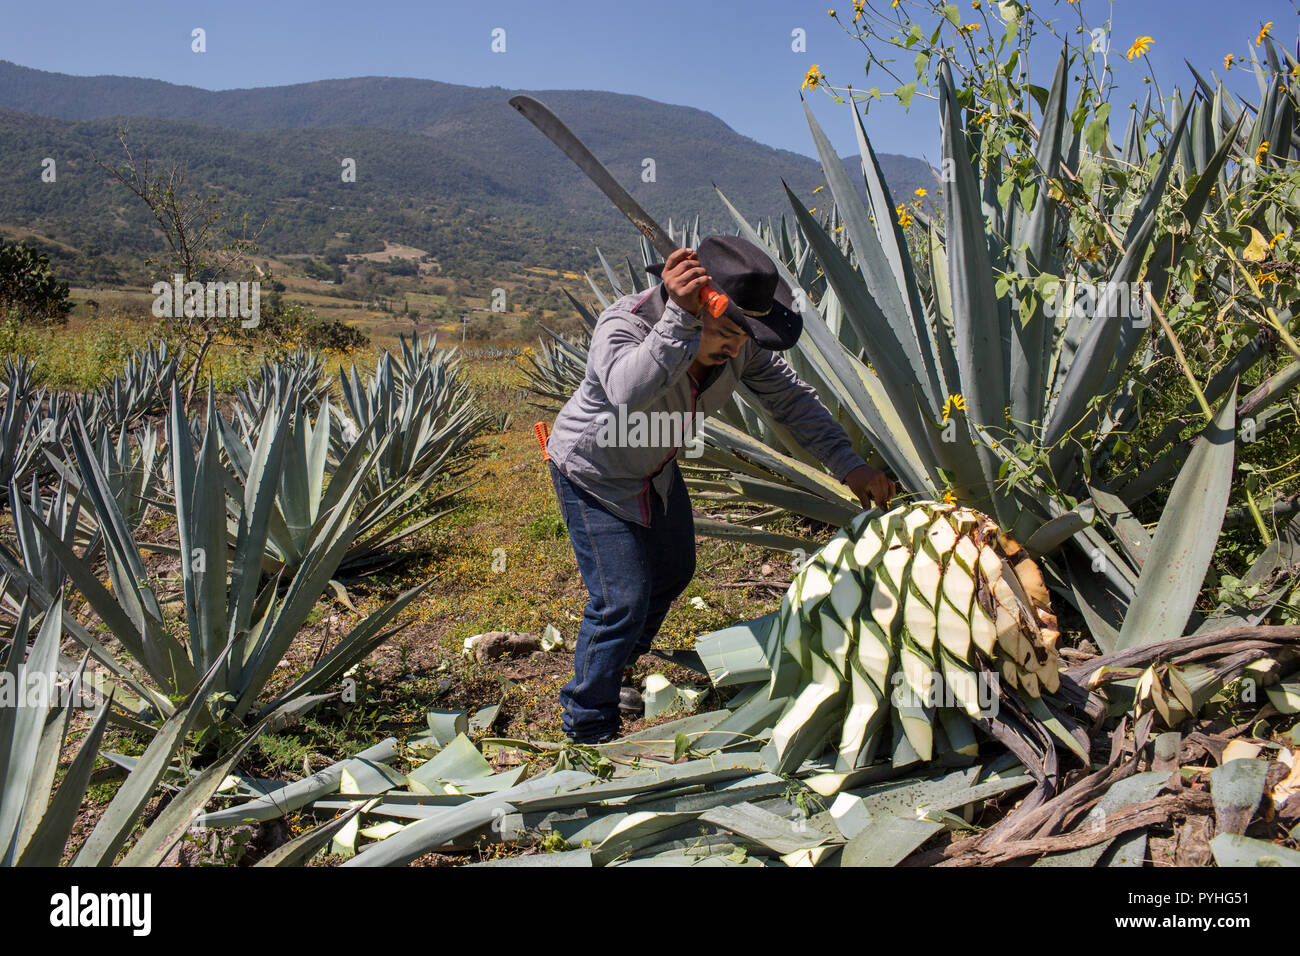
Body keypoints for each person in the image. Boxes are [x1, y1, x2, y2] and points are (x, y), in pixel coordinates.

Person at [545, 234, 895, 744]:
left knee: (673, 570)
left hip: (655, 468)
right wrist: (680, 323)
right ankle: (587, 723)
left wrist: (848, 466)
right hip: (593, 472)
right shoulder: (628, 322)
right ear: (696, 304)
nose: (738, 346)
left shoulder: (738, 343)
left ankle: (615, 665)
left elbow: (790, 402)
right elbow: (625, 391)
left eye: (747, 333)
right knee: (621, 598)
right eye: (730, 331)